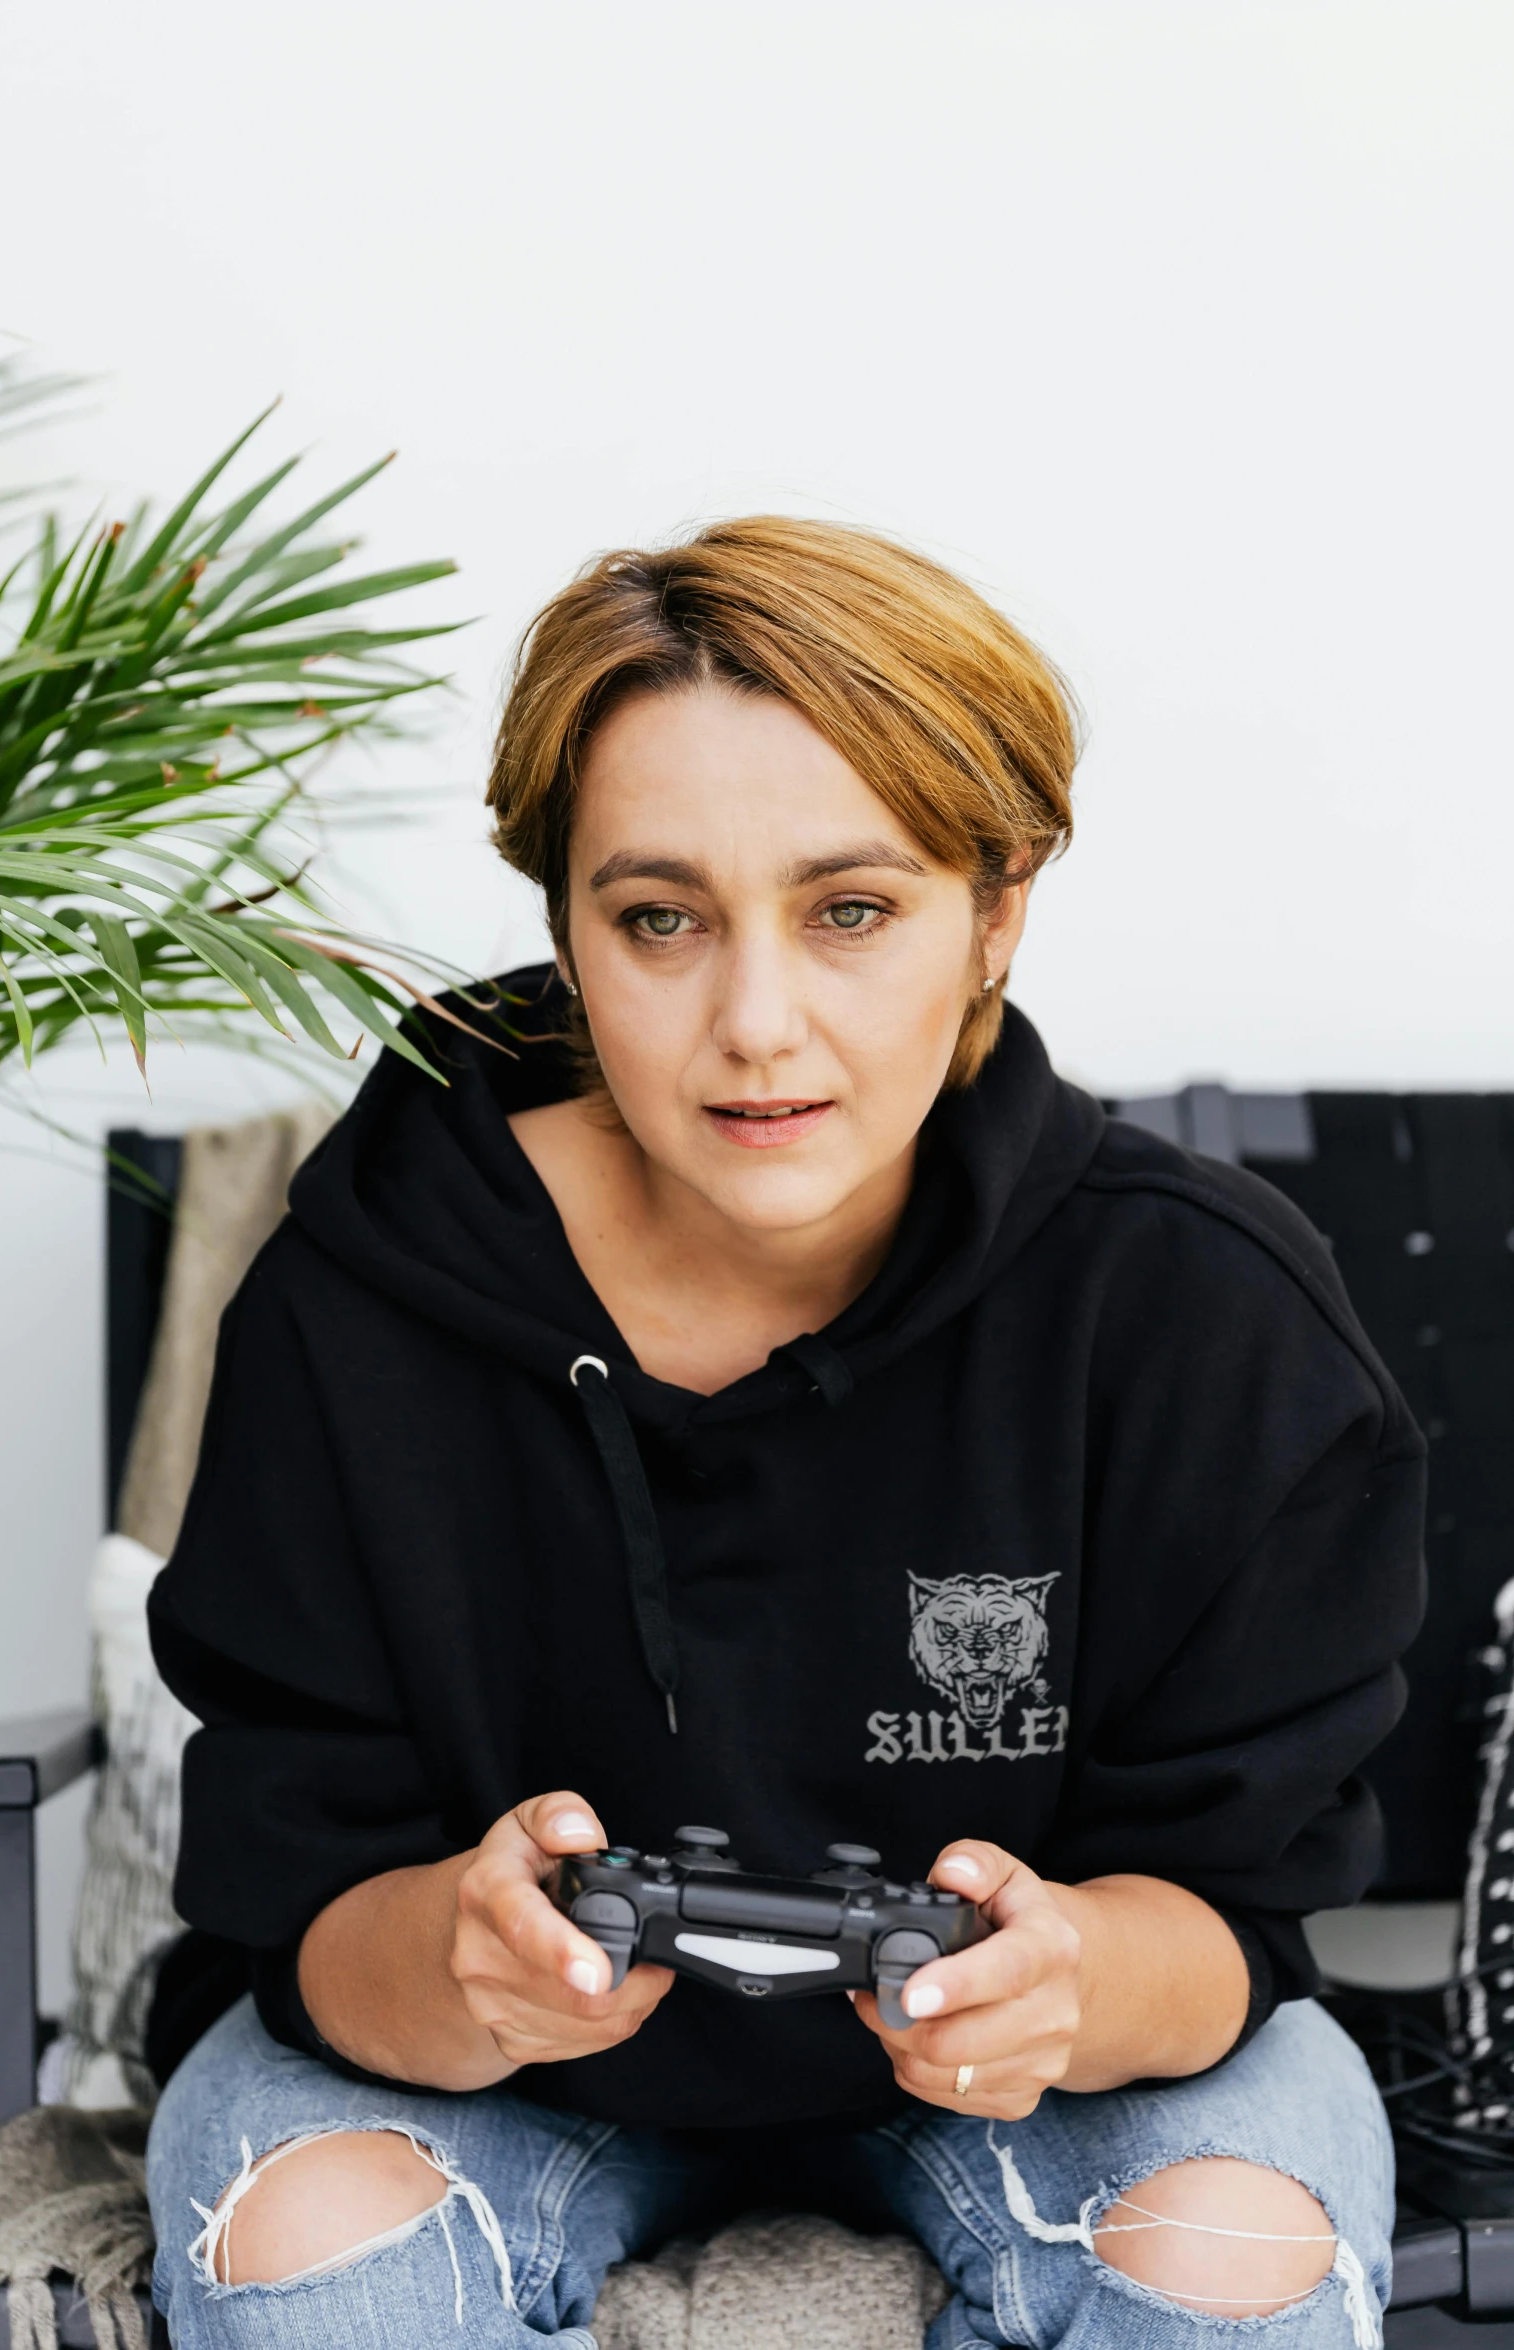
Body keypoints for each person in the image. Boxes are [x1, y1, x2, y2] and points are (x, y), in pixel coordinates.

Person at [144, 518, 1424, 2349]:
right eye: (657, 918)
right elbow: (299, 1887)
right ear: (567, 929)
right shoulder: (361, 1301)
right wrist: (459, 1959)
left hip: (1059, 2088)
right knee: (307, 2250)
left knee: (1229, 2267)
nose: (755, 1026)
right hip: (486, 2085)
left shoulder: (1204, 1317)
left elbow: (1237, 1909)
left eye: (850, 909)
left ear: (997, 907)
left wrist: (1070, 1977)